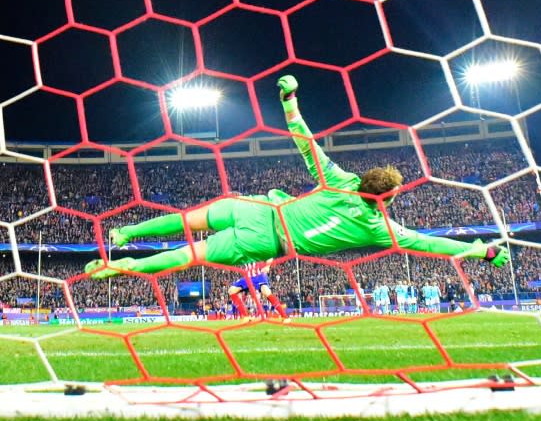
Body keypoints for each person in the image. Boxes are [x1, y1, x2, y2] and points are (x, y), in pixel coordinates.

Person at [84, 75, 510, 279]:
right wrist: (478, 250)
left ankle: (125, 232)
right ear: (389, 196)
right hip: (265, 240)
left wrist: (290, 101)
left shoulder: (339, 179)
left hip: (259, 208)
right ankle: (120, 265)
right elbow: (430, 242)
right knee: (190, 255)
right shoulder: (382, 228)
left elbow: (306, 141)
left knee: (184, 220)